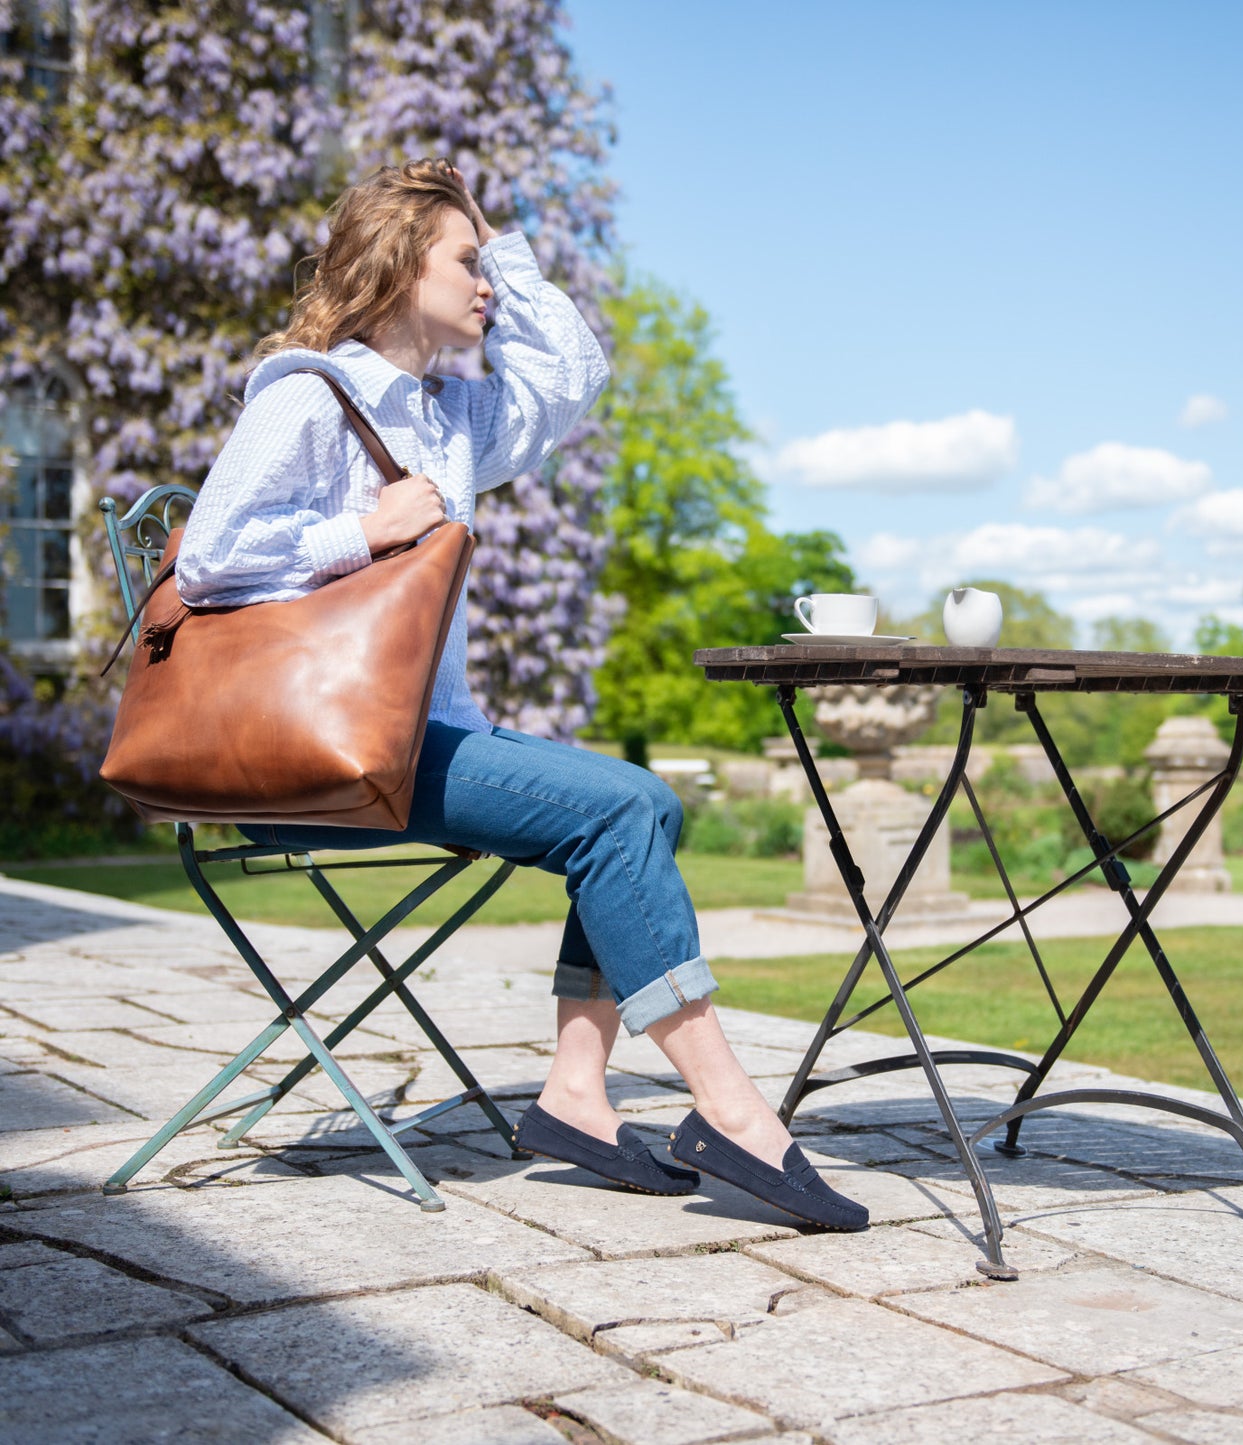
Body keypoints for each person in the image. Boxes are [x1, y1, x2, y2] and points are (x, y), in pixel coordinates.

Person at [176, 159, 866, 1232]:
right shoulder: (309, 396)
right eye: (464, 261)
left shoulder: (450, 416)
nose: (486, 282)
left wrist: (501, 246)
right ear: (400, 266)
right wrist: (366, 527)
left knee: (648, 802)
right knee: (618, 808)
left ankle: (576, 1094)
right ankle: (731, 1112)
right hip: (307, 756)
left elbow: (573, 376)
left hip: (410, 743)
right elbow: (208, 561)